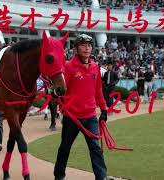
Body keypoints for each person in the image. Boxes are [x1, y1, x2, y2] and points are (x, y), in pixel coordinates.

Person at [54, 34, 108, 180]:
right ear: (76, 48)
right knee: (65, 147)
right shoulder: (68, 66)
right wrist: (62, 107)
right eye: (83, 45)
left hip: (90, 116)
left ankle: (101, 176)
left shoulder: (95, 67)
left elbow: (98, 91)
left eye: (89, 45)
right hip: (72, 117)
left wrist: (103, 109)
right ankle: (59, 176)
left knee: (95, 148)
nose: (87, 48)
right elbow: (60, 91)